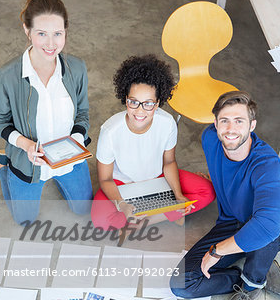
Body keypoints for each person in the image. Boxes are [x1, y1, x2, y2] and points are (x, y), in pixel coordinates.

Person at [170, 91, 280, 300]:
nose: (230, 128)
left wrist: (218, 251)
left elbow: (268, 223)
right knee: (180, 284)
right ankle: (260, 273)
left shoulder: (266, 162)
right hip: (230, 223)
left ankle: (251, 287)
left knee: (267, 229)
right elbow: (227, 173)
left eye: (239, 121)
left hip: (273, 230)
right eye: (224, 120)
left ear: (252, 125)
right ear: (215, 123)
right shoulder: (210, 138)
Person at [0, 0, 93, 225]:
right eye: (41, 34)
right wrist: (25, 145)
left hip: (68, 157)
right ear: (27, 30)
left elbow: (82, 113)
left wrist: (77, 140)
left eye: (57, 33)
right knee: (24, 221)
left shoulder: (76, 69)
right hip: (29, 159)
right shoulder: (6, 77)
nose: (51, 44)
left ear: (65, 31)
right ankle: (4, 164)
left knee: (85, 209)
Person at [91, 54, 215, 231]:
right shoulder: (110, 131)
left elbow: (169, 162)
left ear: (157, 104)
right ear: (125, 99)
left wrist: (179, 196)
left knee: (208, 191)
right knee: (100, 221)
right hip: (123, 184)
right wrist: (122, 205)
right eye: (133, 102)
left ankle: (146, 221)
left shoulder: (167, 123)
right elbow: (105, 178)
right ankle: (170, 214)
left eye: (148, 104)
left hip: (158, 178)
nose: (140, 111)